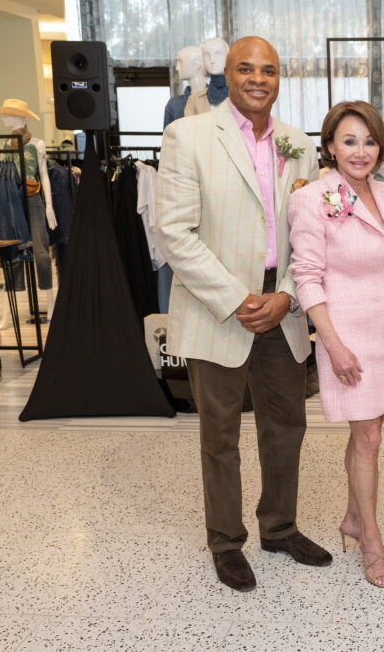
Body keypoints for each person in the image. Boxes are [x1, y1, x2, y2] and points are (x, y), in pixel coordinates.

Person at [154, 36, 331, 592]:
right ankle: (226, 541)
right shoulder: (188, 136)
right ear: (226, 75)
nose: (258, 78)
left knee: (287, 426)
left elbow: (312, 232)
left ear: (281, 79)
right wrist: (236, 298)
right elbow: (174, 233)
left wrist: (287, 297)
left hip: (282, 308)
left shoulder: (299, 144)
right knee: (220, 433)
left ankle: (279, 527)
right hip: (218, 309)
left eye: (270, 70)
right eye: (246, 68)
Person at [288, 101, 384, 588]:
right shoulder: (312, 198)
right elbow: (307, 276)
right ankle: (369, 540)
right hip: (345, 334)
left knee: (370, 432)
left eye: (369, 141)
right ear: (329, 147)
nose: (360, 151)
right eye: (349, 141)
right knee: (368, 436)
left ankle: (351, 518)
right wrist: (333, 343)